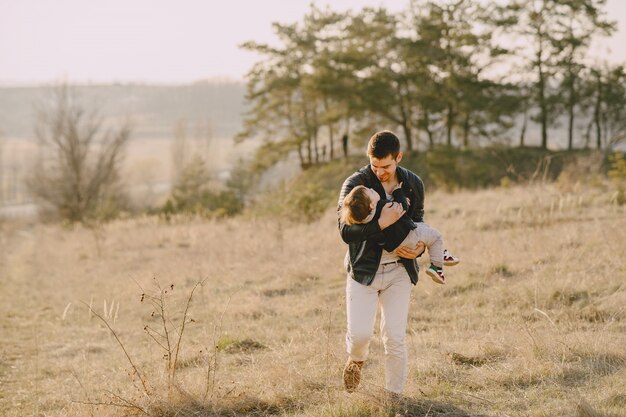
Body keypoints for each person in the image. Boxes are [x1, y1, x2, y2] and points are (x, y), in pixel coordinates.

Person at [337, 130, 445, 396]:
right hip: (364, 271)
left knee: (394, 340)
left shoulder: (413, 183)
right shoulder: (355, 183)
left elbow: (417, 221)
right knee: (361, 336)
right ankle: (356, 358)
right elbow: (344, 231)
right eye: (375, 166)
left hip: (399, 271)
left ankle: (393, 398)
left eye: (385, 166)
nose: (380, 172)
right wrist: (380, 223)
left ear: (399, 157)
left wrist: (419, 248)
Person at [340, 183, 459, 284]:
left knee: (425, 228)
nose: (372, 189)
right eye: (370, 191)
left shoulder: (364, 220)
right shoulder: (383, 206)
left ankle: (441, 254)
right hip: (408, 236)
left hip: (394, 246)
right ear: (371, 204)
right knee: (436, 236)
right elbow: (403, 207)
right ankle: (437, 267)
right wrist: (398, 192)